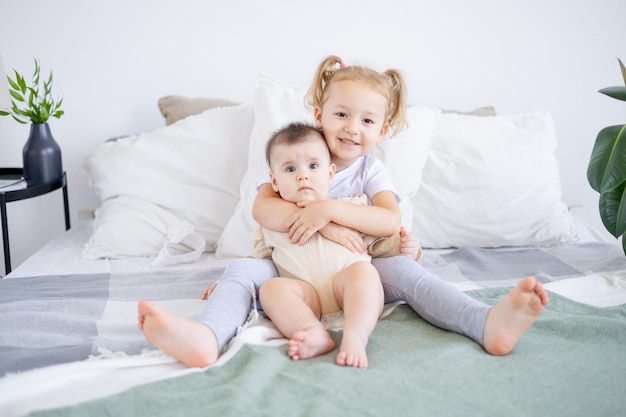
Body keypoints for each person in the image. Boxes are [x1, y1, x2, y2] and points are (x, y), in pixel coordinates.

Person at [138, 55, 549, 368]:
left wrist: (328, 211)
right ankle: (208, 338)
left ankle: (483, 323)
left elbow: (389, 221)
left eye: (367, 120)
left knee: (408, 274)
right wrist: (326, 226)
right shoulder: (295, 152)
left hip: (355, 272)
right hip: (292, 273)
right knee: (245, 276)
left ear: (382, 130)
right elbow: (264, 210)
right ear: (319, 114)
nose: (353, 127)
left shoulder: (372, 169)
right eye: (341, 114)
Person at [254, 122, 417, 368]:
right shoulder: (272, 221)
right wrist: (227, 281)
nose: (303, 175)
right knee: (271, 289)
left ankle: (356, 336)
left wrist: (411, 250)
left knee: (363, 272)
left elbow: (384, 242)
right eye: (290, 168)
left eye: (313, 166)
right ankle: (312, 331)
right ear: (274, 182)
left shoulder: (353, 207)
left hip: (347, 289)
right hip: (306, 297)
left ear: (330, 175)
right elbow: (257, 259)